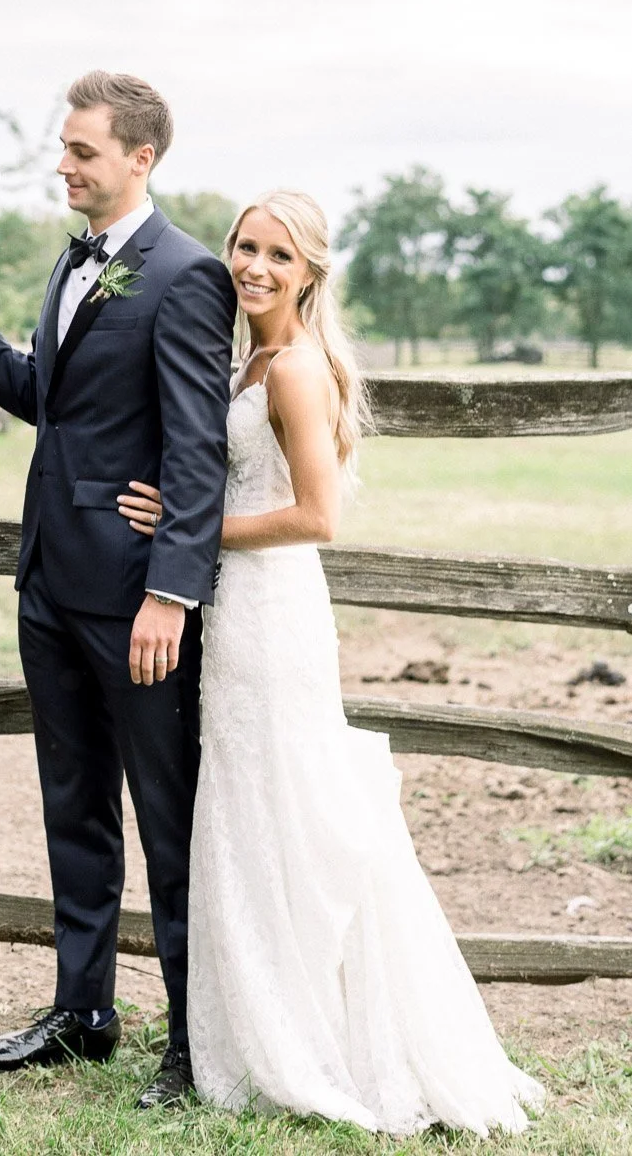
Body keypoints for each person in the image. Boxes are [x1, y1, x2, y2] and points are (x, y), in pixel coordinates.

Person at [120, 191, 545, 1134]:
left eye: (277, 254)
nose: (253, 267)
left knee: (289, 813)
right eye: (243, 247)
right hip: (237, 615)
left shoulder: (297, 369)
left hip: (272, 617)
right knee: (248, 813)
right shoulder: (253, 356)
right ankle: (265, 1024)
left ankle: (325, 1038)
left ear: (310, 271)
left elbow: (318, 517)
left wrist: (193, 532)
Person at [0, 71, 236, 1108]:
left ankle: (195, 1046)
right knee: (74, 810)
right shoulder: (73, 267)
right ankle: (84, 1013)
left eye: (81, 152)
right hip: (47, 588)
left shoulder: (187, 276)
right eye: (63, 149)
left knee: (168, 822)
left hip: (133, 605)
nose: (61, 165)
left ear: (140, 158)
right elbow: (45, 400)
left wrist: (171, 595)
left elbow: (195, 451)